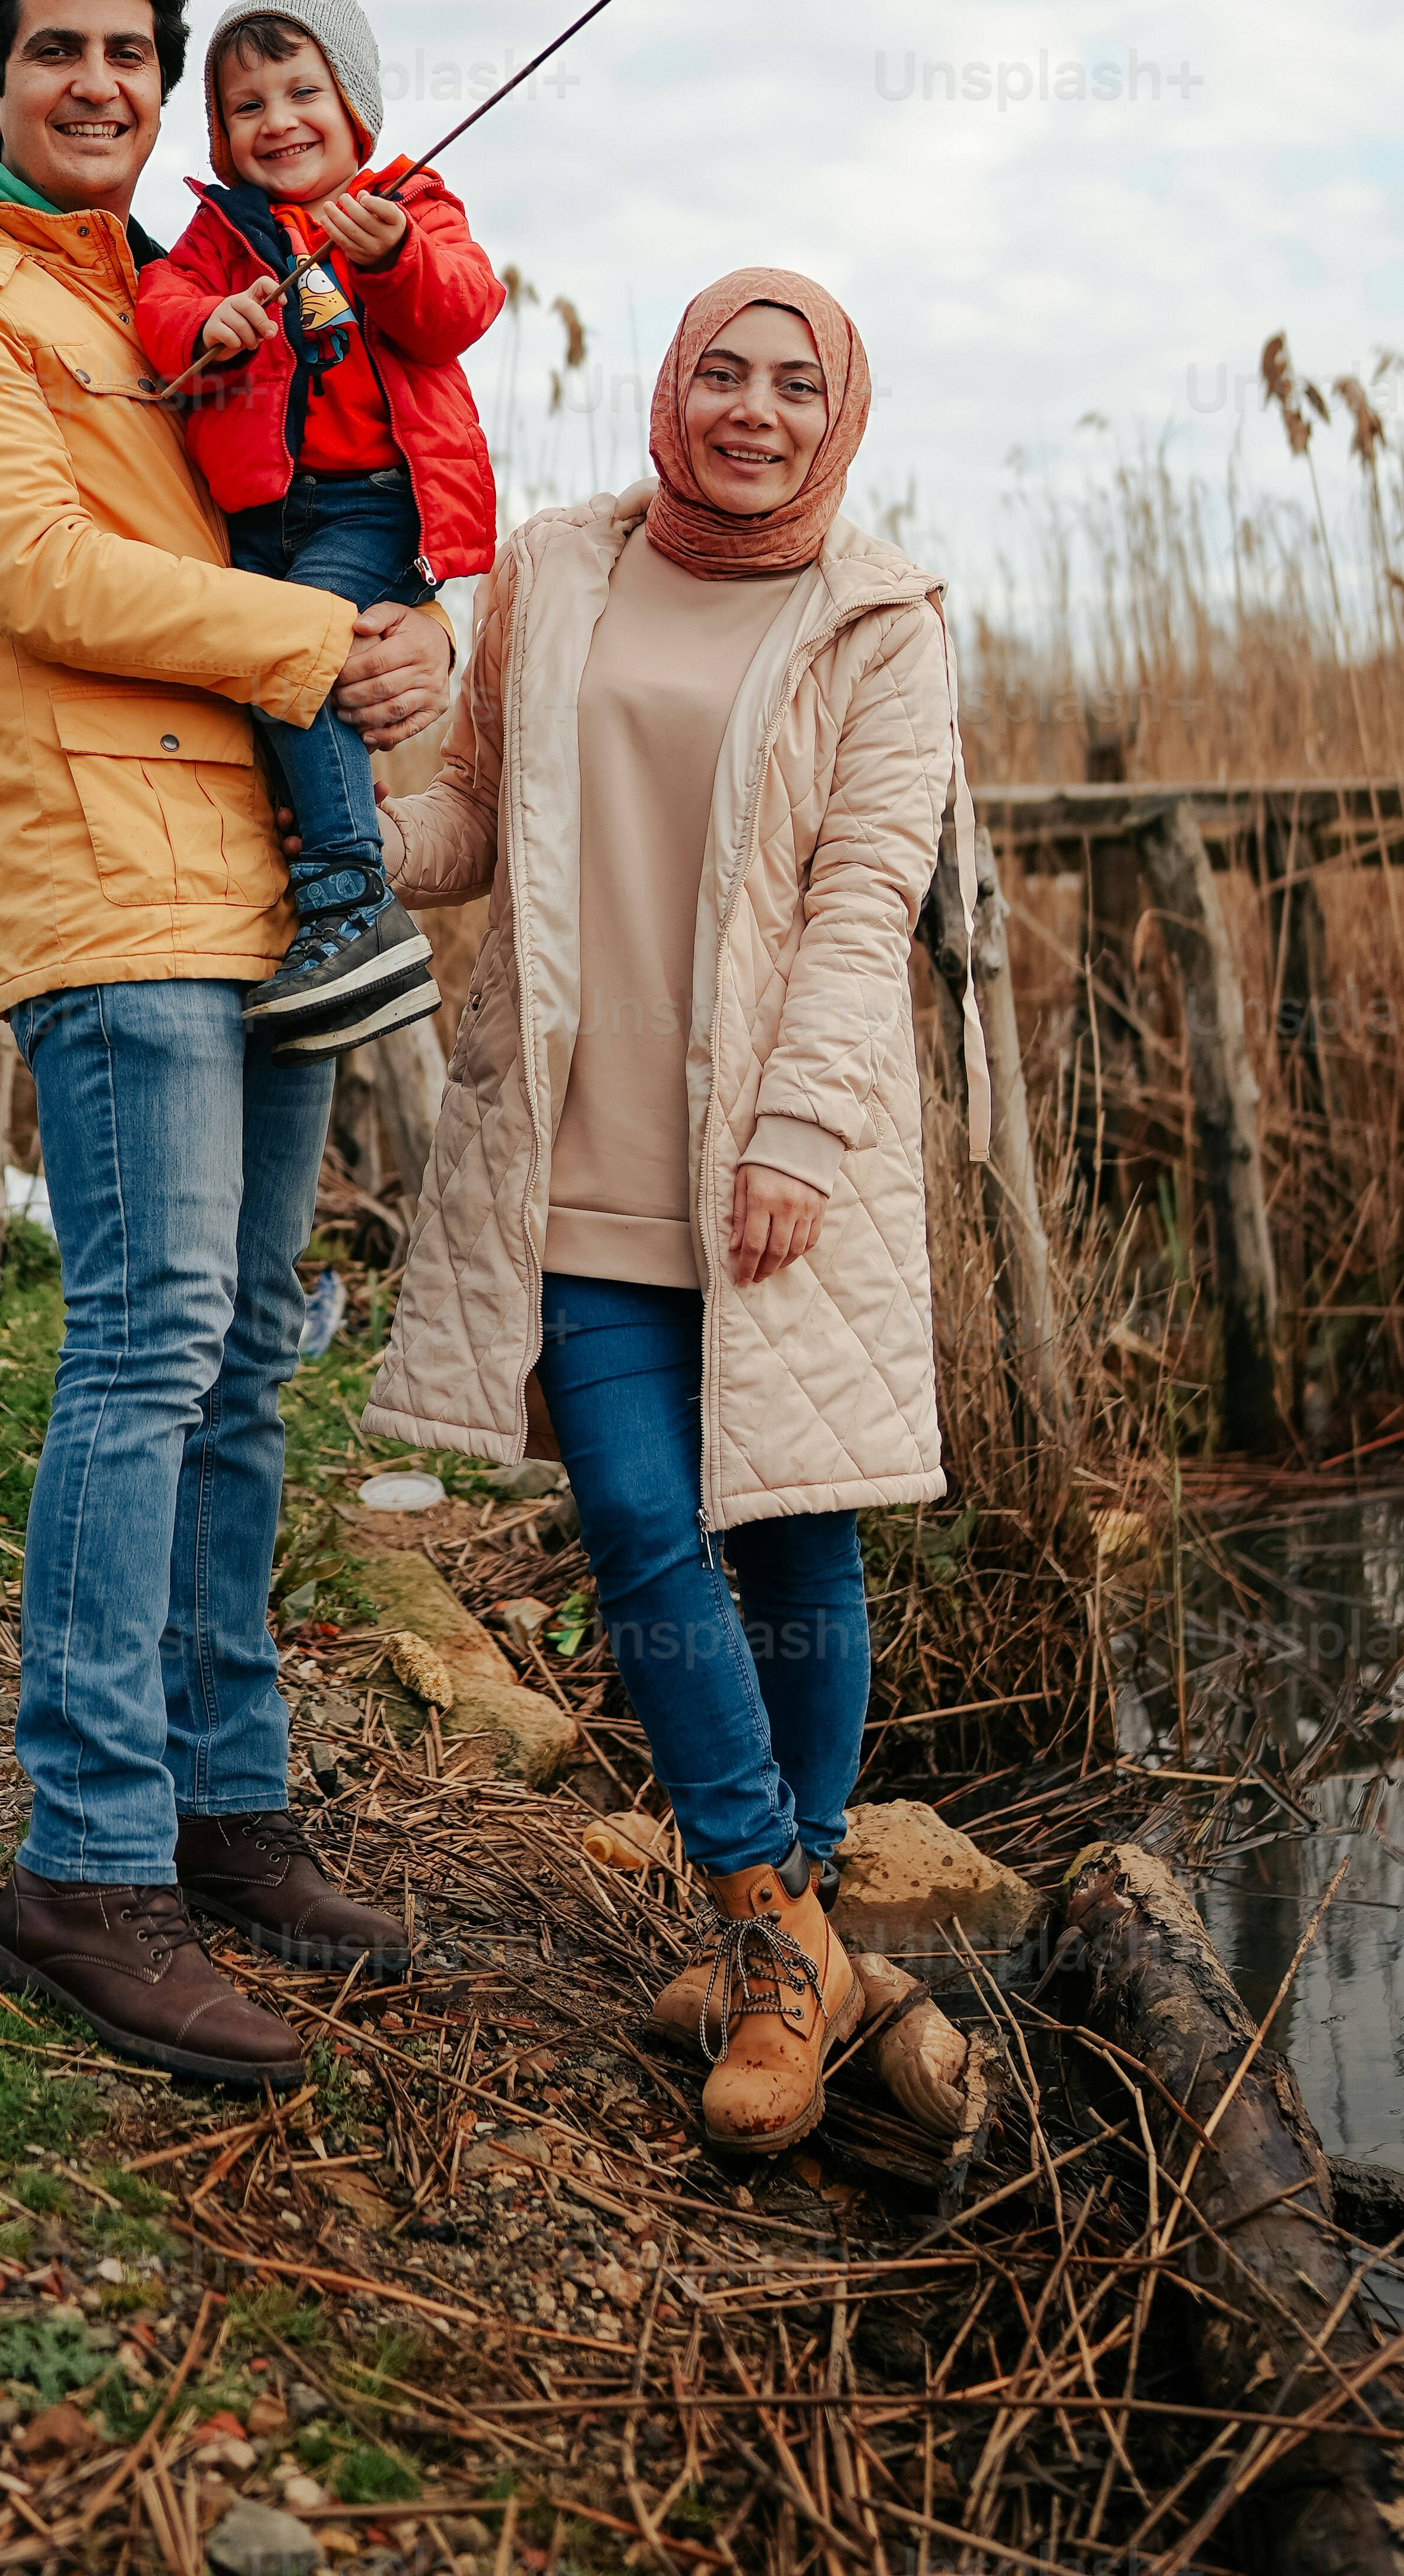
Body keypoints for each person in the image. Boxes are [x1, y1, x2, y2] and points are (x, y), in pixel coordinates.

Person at [0, 0, 457, 2088]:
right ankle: (82, 1866)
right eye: (55, 52)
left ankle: (227, 1807)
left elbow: (334, 500)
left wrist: (402, 636)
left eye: (132, 51)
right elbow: (32, 569)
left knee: (246, 1366)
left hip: (268, 883)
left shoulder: (180, 284)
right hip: (113, 890)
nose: (98, 82)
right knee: (147, 1343)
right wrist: (308, 647)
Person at [361, 270, 985, 2157]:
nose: (756, 407)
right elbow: (472, 818)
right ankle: (785, 1931)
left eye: (798, 382)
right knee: (636, 1518)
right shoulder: (556, 570)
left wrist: (796, 1128)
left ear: (841, 413)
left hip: (778, 1162)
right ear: (669, 388)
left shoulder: (882, 622)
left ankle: (775, 1966)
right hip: (574, 1150)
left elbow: (873, 894)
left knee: (794, 1537)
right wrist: (345, 831)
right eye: (722, 369)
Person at [134, 0, 503, 1055]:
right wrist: (214, 317)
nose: (278, 120)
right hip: (259, 515)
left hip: (370, 502)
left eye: (304, 93)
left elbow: (461, 307)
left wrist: (390, 256)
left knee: (293, 640)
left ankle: (353, 903)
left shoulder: (408, 203)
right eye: (248, 106)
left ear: (356, 111)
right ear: (221, 131)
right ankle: (329, 874)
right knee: (283, 683)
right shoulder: (220, 233)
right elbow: (159, 312)